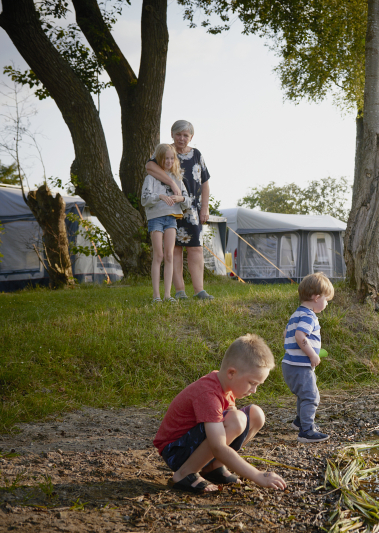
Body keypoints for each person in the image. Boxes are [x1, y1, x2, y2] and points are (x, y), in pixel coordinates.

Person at [153, 334, 287, 493]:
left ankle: (212, 467)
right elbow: (218, 446)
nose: (254, 390)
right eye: (252, 383)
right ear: (231, 373)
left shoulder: (225, 384)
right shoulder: (208, 394)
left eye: (258, 385)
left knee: (256, 415)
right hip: (176, 451)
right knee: (236, 420)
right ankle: (185, 473)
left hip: (191, 445)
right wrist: (257, 475)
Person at [146, 120, 215, 300]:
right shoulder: (166, 152)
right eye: (178, 134)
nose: (181, 138)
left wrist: (205, 207)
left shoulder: (197, 154)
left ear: (191, 137)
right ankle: (180, 291)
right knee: (175, 250)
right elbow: (149, 166)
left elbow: (205, 183)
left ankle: (199, 290)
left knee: (196, 248)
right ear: (172, 135)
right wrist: (171, 183)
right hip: (170, 208)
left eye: (185, 135)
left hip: (193, 209)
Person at [282, 272, 334, 443]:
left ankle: (300, 421)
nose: (327, 303)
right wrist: (312, 354)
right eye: (326, 299)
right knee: (311, 396)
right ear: (316, 297)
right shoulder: (309, 316)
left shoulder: (296, 314)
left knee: (303, 395)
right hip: (300, 366)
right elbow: (299, 336)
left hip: (289, 364)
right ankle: (306, 431)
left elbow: (286, 333)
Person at [141, 143, 192, 303]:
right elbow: (144, 199)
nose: (169, 161)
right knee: (159, 255)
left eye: (171, 158)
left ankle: (167, 295)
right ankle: (156, 295)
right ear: (158, 159)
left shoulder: (177, 179)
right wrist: (160, 196)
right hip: (155, 218)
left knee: (169, 255)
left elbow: (188, 201)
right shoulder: (150, 178)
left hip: (171, 219)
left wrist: (180, 198)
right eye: (165, 159)